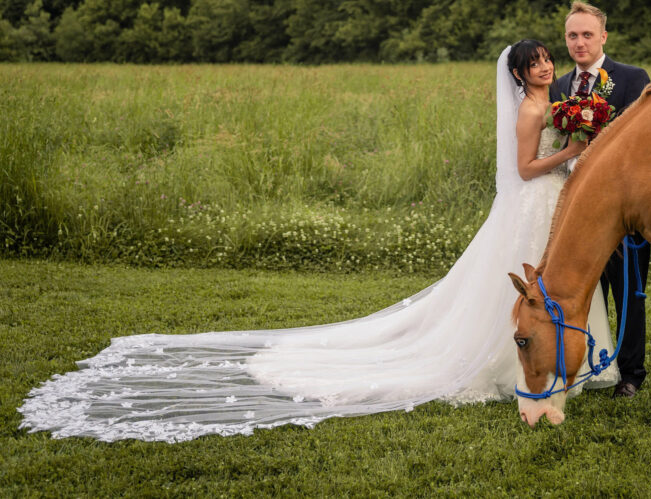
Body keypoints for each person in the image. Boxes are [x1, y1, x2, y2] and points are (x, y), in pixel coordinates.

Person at [18, 41, 618, 443]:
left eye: (547, 57)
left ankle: (570, 364)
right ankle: (502, 364)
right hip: (532, 199)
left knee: (559, 283)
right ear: (518, 73)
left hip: (554, 204)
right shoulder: (529, 114)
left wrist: (574, 142)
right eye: (535, 61)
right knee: (520, 293)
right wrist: (569, 152)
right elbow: (521, 169)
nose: (545, 64)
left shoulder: (555, 101)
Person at [550, 0, 651, 399]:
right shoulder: (559, 87)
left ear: (603, 37)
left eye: (587, 34)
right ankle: (597, 365)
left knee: (629, 290)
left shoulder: (630, 78)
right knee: (586, 291)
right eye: (573, 35)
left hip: (623, 207)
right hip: (578, 210)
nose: (580, 42)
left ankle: (632, 374)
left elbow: (643, 140)